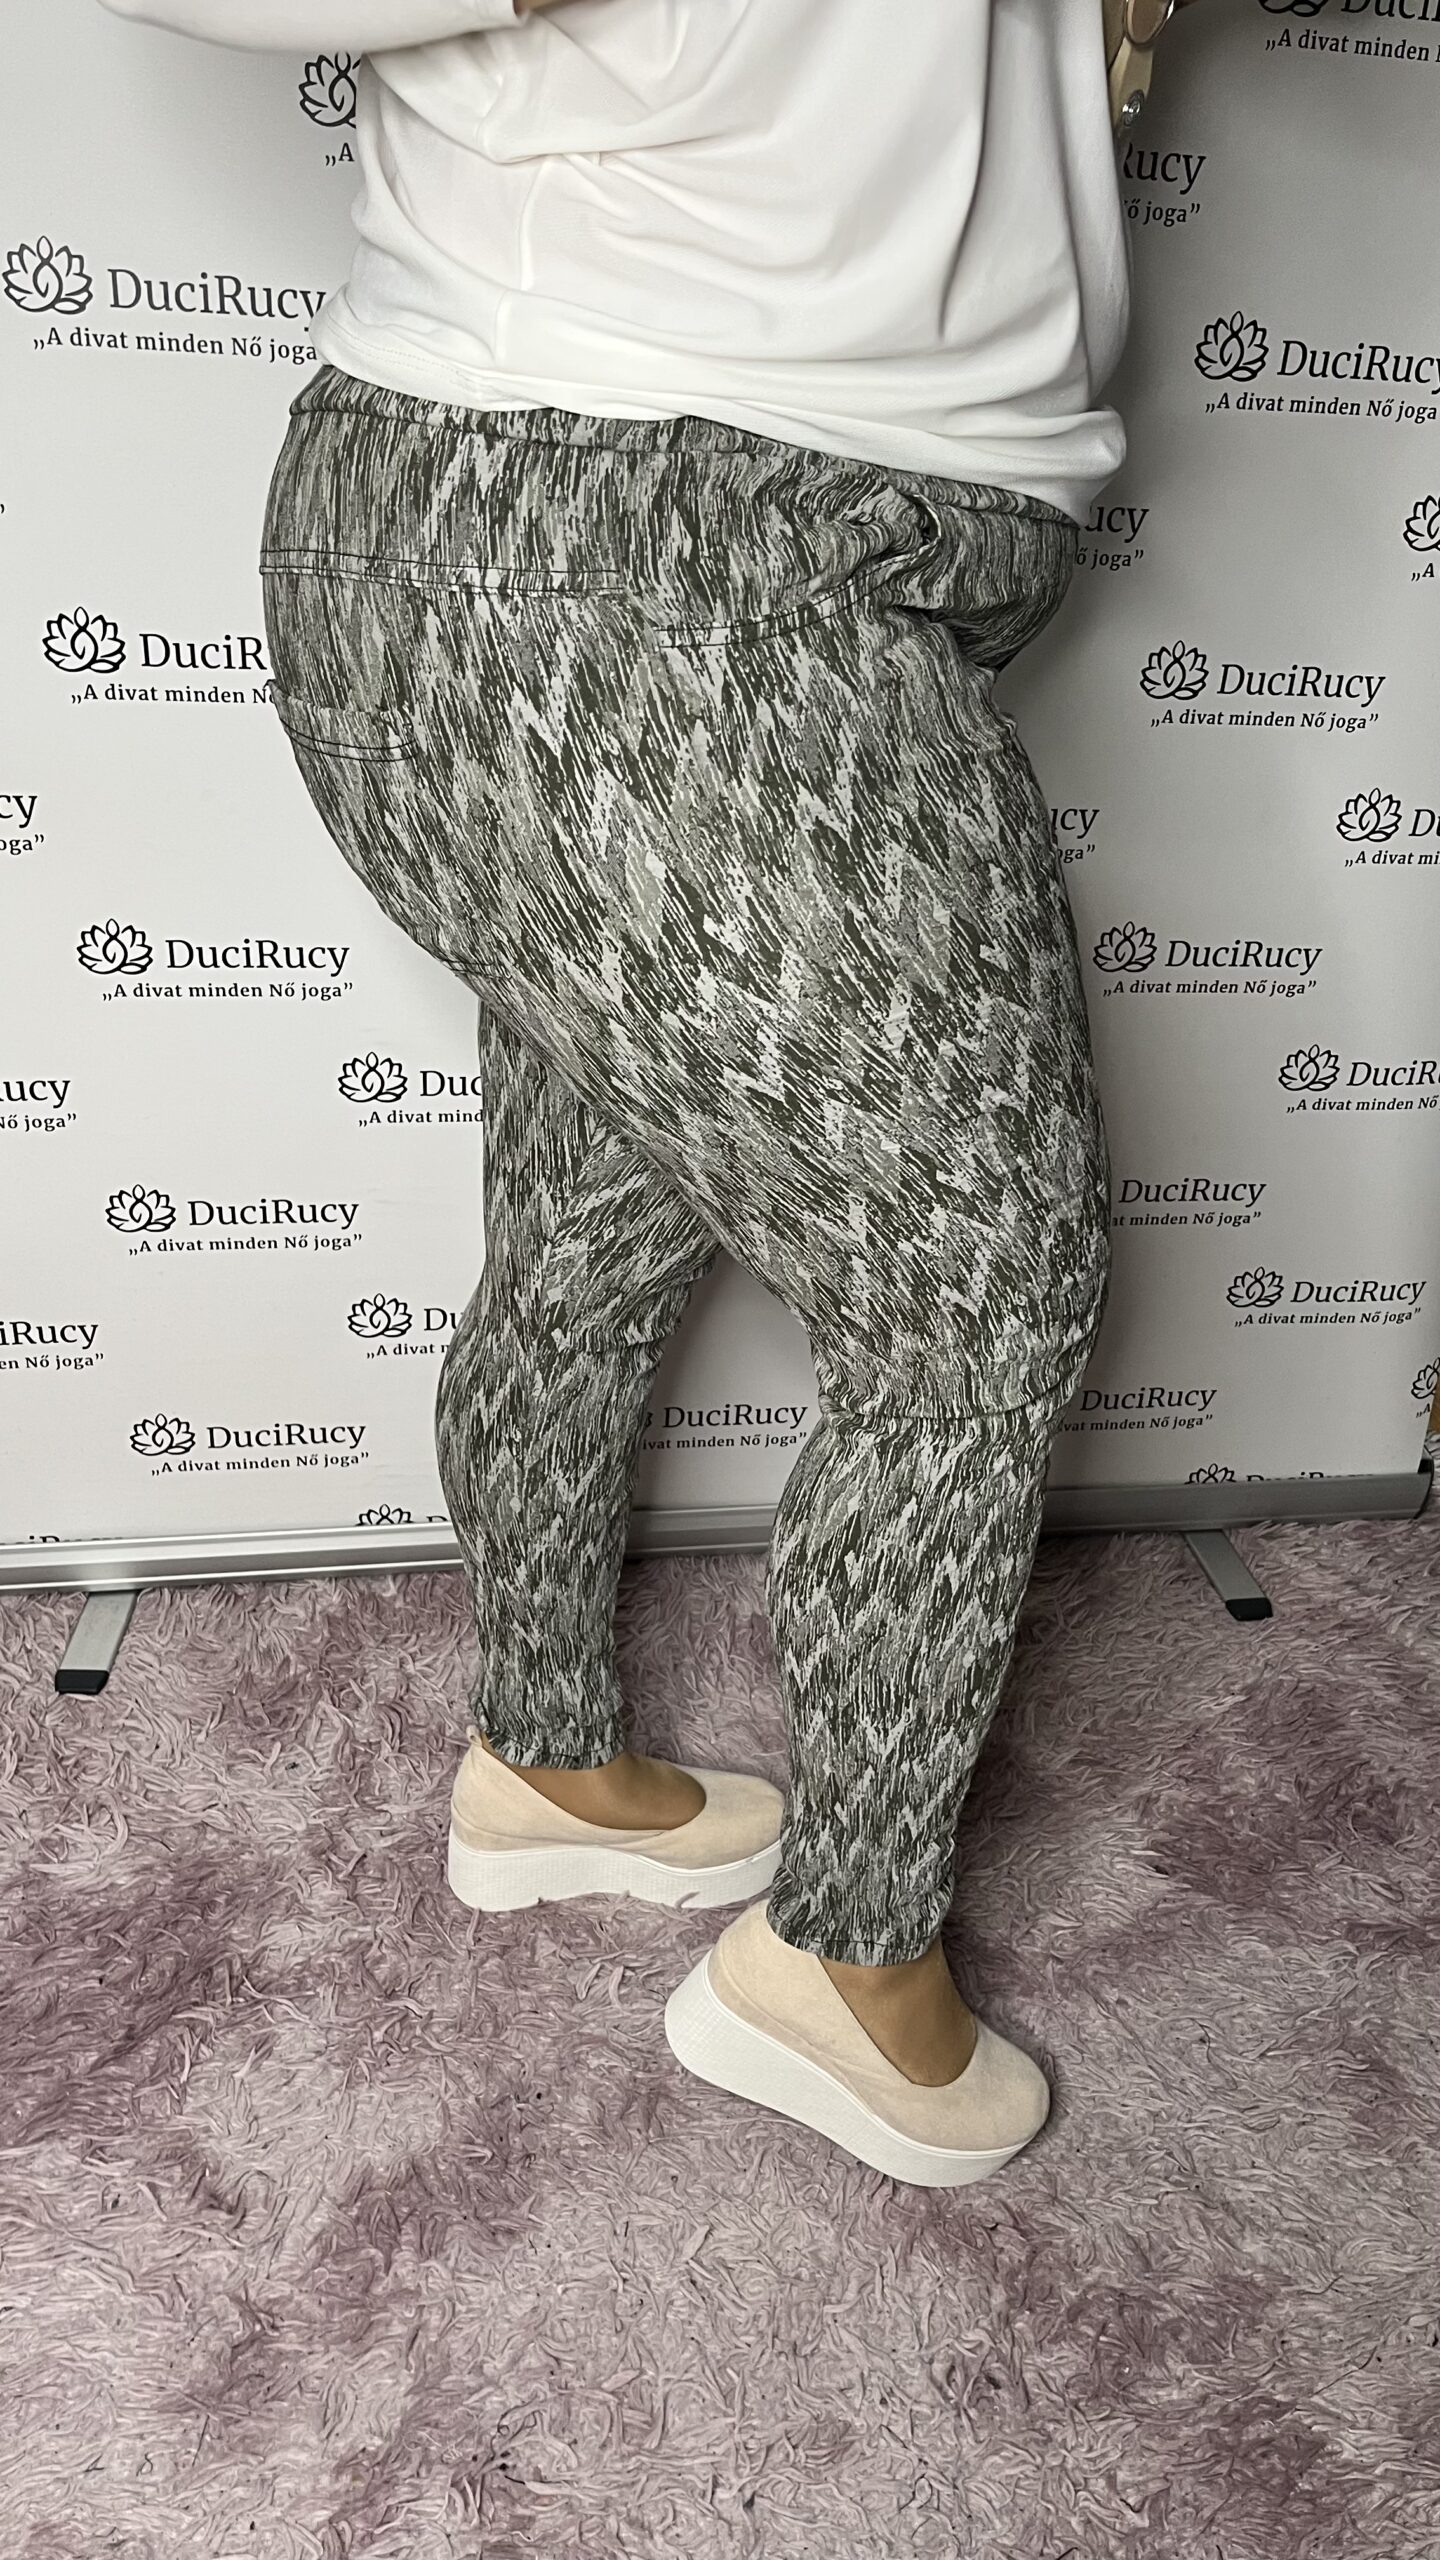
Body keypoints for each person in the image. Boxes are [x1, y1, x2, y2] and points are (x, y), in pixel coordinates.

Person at [99, 0, 1129, 2188]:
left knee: (594, 1211)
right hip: (640, 540)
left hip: (617, 537)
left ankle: (546, 1761)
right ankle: (846, 1973)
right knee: (979, 1298)